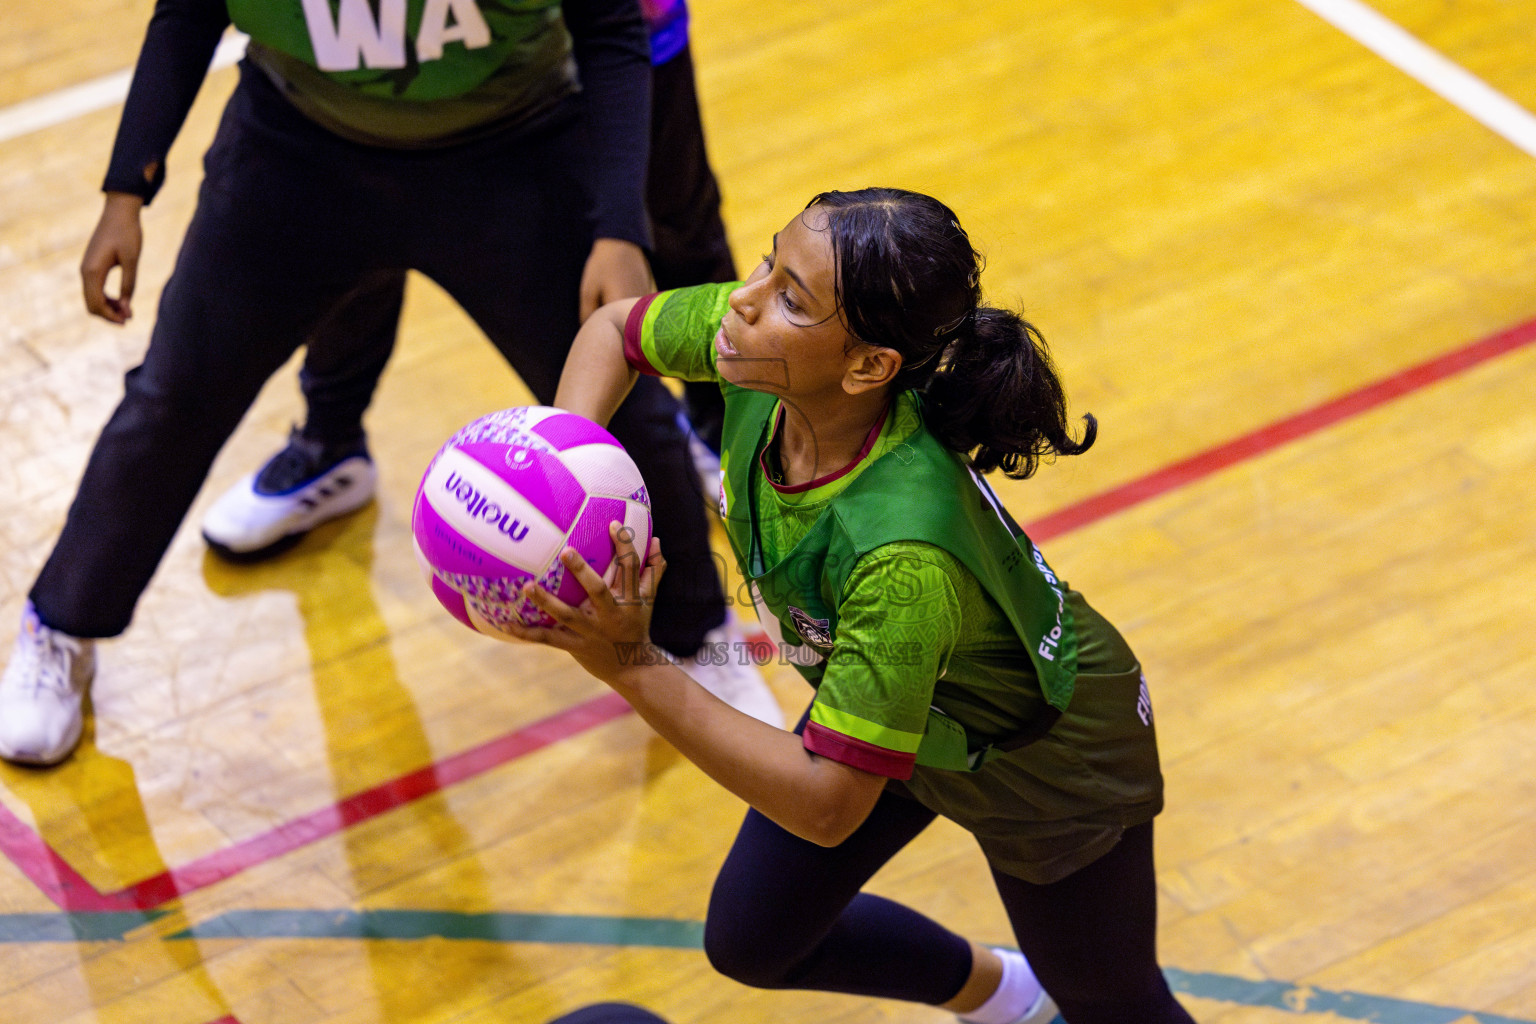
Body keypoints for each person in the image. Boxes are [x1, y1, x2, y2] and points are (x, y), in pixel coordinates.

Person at [0, 0, 768, 766]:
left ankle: (695, 633)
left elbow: (608, 27)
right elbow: (189, 13)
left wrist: (618, 229)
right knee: (175, 394)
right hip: (298, 150)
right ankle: (61, 623)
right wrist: (123, 193)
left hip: (514, 149)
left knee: (621, 418)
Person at [499, 188, 1198, 1023]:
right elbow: (614, 329)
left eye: (790, 296)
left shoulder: (902, 560)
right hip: (893, 702)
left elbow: (829, 806)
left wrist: (630, 664)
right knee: (756, 940)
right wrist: (560, 481)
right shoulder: (764, 349)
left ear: (869, 366)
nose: (747, 296)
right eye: (768, 261)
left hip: (1044, 760)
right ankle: (1009, 999)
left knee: (1108, 996)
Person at [196, 0, 737, 573]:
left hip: (619, 46)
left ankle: (721, 446)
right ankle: (327, 443)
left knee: (674, 229)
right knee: (357, 235)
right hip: (397, 63)